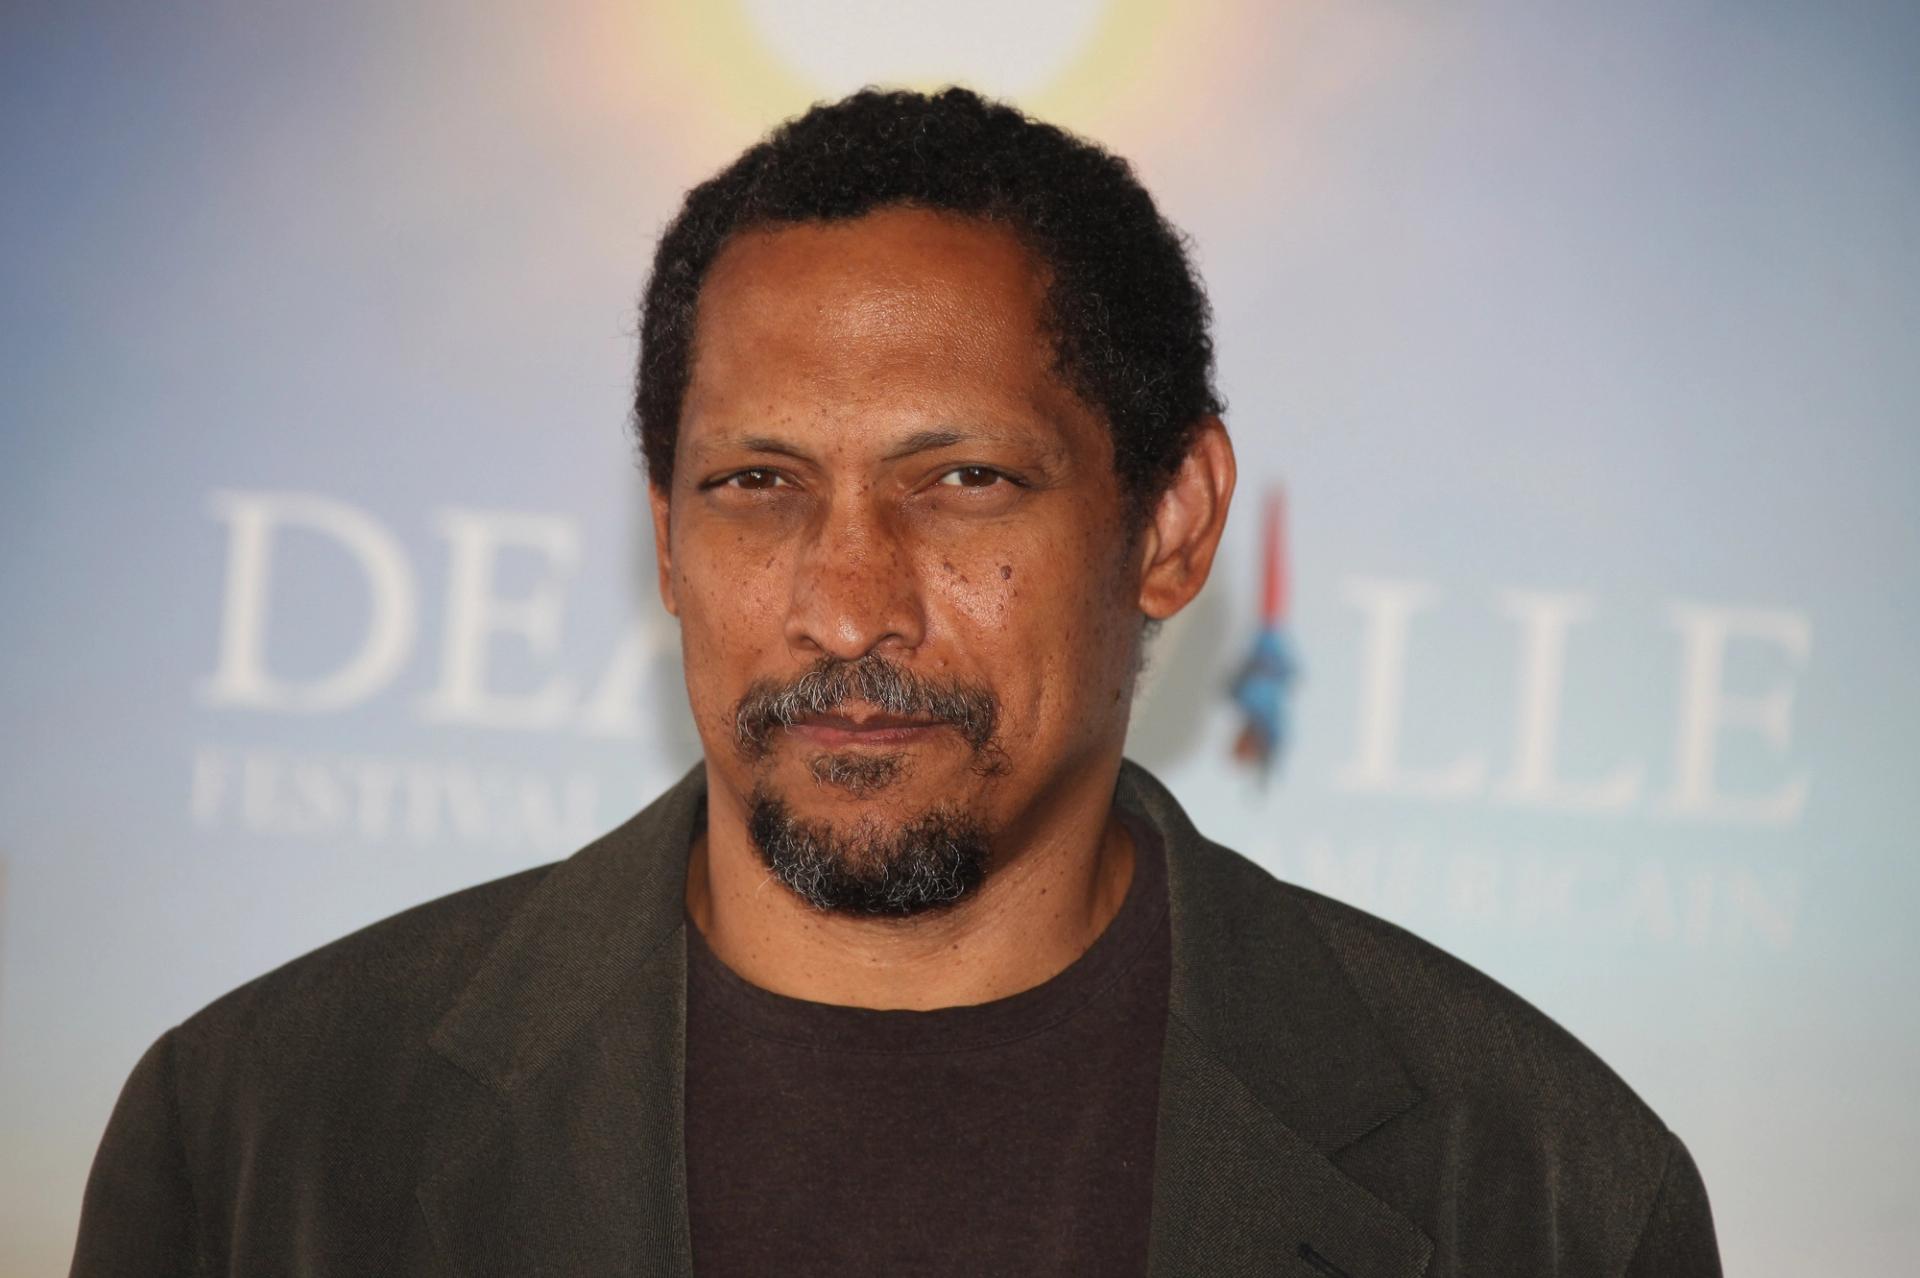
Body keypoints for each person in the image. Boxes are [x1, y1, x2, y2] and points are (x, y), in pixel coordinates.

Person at [71, 87, 1720, 1278]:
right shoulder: (253, 1142)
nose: (845, 604)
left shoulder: (1542, 1187)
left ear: (1173, 522)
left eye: (964, 483)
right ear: (661, 534)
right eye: (755, 485)